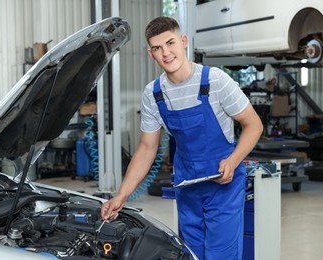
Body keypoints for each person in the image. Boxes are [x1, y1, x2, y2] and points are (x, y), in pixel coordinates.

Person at [101, 16, 263, 260]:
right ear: (150, 53)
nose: (166, 53)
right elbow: (146, 149)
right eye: (157, 48)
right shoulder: (153, 94)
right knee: (190, 254)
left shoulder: (215, 80)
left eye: (170, 43)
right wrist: (122, 195)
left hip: (224, 185)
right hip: (188, 186)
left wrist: (233, 161)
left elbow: (254, 125)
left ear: (183, 41)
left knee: (221, 254)